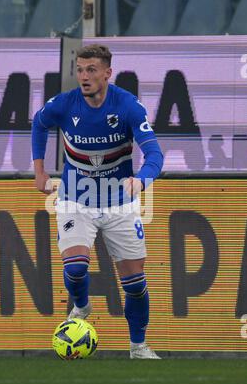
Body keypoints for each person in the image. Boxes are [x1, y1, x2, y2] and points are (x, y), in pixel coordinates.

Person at [32, 44, 164, 359]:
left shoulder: (129, 107)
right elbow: (39, 124)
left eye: (91, 70)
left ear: (107, 73)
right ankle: (81, 305)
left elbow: (155, 154)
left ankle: (138, 346)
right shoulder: (64, 105)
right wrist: (39, 170)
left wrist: (141, 180)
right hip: (76, 198)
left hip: (120, 201)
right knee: (76, 268)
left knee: (134, 283)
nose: (84, 77)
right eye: (80, 70)